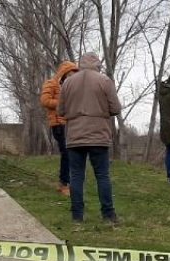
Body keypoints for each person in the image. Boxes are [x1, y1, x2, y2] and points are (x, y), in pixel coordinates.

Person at [58, 52, 122, 223]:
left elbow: (61, 111)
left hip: (74, 136)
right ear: (97, 64)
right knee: (102, 175)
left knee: (76, 175)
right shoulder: (104, 81)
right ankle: (108, 214)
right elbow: (115, 108)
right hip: (98, 134)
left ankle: (77, 215)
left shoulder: (68, 83)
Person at [39, 61, 79, 196]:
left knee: (73, 154)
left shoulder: (72, 87)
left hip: (72, 123)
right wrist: (63, 103)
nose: (73, 77)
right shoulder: (51, 83)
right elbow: (44, 101)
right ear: (65, 73)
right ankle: (64, 184)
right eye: (71, 74)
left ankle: (69, 183)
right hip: (58, 124)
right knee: (66, 154)